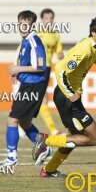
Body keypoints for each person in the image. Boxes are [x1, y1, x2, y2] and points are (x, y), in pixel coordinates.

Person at [31, 14, 96, 178]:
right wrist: (70, 93)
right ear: (94, 33)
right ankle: (46, 140)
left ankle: (49, 170)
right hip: (67, 98)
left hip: (68, 97)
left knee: (74, 138)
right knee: (95, 137)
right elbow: (60, 69)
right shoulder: (85, 48)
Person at [0, 10, 52, 167]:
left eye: (25, 24)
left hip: (33, 86)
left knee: (11, 120)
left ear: (31, 24)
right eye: (20, 24)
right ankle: (44, 147)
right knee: (24, 122)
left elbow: (40, 66)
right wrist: (18, 73)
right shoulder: (25, 41)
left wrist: (18, 69)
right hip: (28, 84)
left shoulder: (34, 41)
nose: (22, 27)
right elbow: (27, 64)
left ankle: (11, 158)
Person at [36, 8, 64, 136]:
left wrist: (60, 55)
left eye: (51, 18)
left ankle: (20, 127)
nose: (49, 20)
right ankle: (53, 129)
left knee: (38, 98)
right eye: (46, 18)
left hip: (47, 68)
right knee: (42, 98)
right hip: (35, 68)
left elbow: (59, 53)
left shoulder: (56, 35)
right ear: (42, 19)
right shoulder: (36, 33)